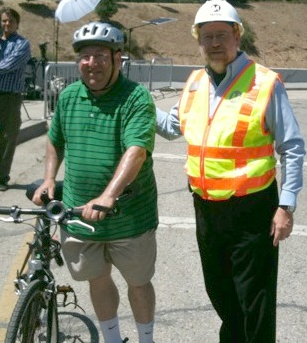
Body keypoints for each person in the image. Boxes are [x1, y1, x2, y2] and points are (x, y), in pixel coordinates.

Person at [156, 0, 305, 342]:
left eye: (222, 35)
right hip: (207, 208)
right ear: (199, 41)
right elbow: (173, 127)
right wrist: (139, 103)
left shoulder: (265, 83)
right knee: (220, 292)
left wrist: (286, 205)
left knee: (255, 299)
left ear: (237, 35)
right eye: (207, 36)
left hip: (253, 210)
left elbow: (293, 148)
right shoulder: (195, 83)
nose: (214, 43)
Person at [32, 22, 158, 343]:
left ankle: (146, 339)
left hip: (129, 215)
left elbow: (137, 151)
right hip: (78, 215)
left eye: (100, 55)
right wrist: (49, 178)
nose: (91, 64)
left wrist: (109, 196)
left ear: (119, 58)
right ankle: (112, 339)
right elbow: (55, 140)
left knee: (138, 282)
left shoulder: (136, 98)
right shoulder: (70, 96)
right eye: (85, 57)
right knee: (97, 280)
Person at [0, 7, 31, 191]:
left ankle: (2, 177)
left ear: (17, 24)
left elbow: (9, 65)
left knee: (7, 136)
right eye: (4, 20)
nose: (6, 24)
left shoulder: (22, 44)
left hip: (10, 96)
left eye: (10, 21)